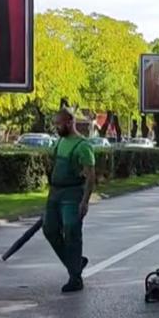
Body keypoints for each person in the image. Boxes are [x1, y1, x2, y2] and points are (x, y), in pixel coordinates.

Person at [43, 109, 95, 293]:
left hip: (73, 194)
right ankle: (75, 263)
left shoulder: (83, 146)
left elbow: (90, 177)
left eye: (59, 124)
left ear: (70, 121)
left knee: (71, 231)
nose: (56, 128)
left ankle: (75, 278)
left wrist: (85, 201)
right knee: (49, 229)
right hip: (55, 193)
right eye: (55, 124)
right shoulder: (60, 142)